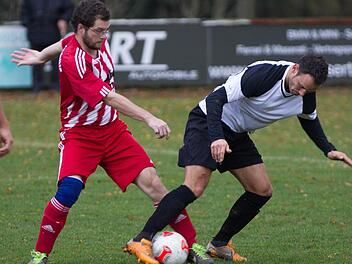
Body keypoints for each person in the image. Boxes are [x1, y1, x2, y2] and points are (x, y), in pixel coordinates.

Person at [12, 1, 213, 264]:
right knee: (67, 193)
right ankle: (40, 255)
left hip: (113, 132)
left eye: (107, 31)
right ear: (82, 29)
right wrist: (149, 118)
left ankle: (194, 247)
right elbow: (110, 98)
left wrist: (41, 55)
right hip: (80, 135)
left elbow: (64, 41)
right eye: (99, 31)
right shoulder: (74, 60)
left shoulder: (93, 40)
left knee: (156, 186)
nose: (104, 37)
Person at [126, 55, 352, 262]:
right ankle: (142, 239)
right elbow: (216, 99)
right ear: (294, 69)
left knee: (261, 190)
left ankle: (218, 244)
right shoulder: (263, 75)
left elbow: (309, 119)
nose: (301, 93)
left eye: (308, 91)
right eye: (301, 86)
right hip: (208, 122)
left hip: (237, 133)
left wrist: (328, 149)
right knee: (195, 186)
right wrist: (217, 138)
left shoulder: (306, 95)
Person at [21, 0, 74, 94]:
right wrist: (27, 23)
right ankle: (37, 88)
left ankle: (57, 87)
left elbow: (69, 8)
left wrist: (63, 19)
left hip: (53, 33)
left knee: (56, 62)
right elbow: (24, 11)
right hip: (35, 33)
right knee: (35, 62)